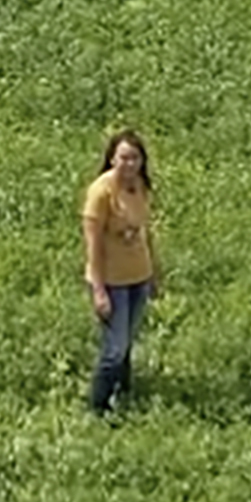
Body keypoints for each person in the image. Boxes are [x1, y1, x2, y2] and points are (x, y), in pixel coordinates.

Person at [80, 126, 159, 413]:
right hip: (111, 281)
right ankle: (98, 408)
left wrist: (154, 273)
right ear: (112, 158)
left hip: (137, 277)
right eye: (124, 158)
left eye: (135, 158)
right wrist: (99, 291)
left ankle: (124, 394)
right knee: (114, 349)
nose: (129, 164)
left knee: (126, 344)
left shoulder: (139, 186)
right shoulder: (100, 193)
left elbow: (146, 233)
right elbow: (93, 246)